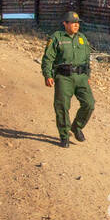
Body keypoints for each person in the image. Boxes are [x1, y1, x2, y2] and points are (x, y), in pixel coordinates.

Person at [41, 11, 94, 147]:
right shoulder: (57, 38)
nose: (76, 25)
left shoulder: (82, 38)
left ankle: (76, 127)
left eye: (77, 23)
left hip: (81, 77)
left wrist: (87, 75)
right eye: (73, 23)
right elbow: (48, 58)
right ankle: (64, 135)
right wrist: (48, 75)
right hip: (64, 77)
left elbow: (87, 59)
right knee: (62, 106)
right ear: (65, 23)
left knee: (89, 104)